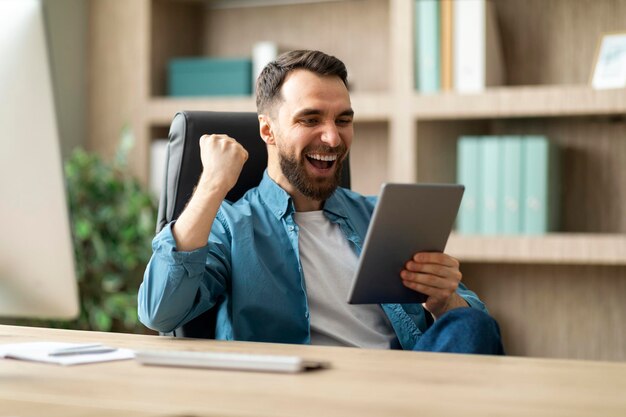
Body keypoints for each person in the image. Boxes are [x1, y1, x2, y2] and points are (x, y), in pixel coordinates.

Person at [138, 50, 504, 354]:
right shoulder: (231, 225)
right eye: (310, 119)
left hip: (403, 386)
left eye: (343, 120)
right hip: (301, 395)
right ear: (268, 130)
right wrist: (212, 185)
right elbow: (159, 312)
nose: (332, 137)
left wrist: (444, 301)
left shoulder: (381, 215)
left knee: (470, 323)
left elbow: (476, 335)